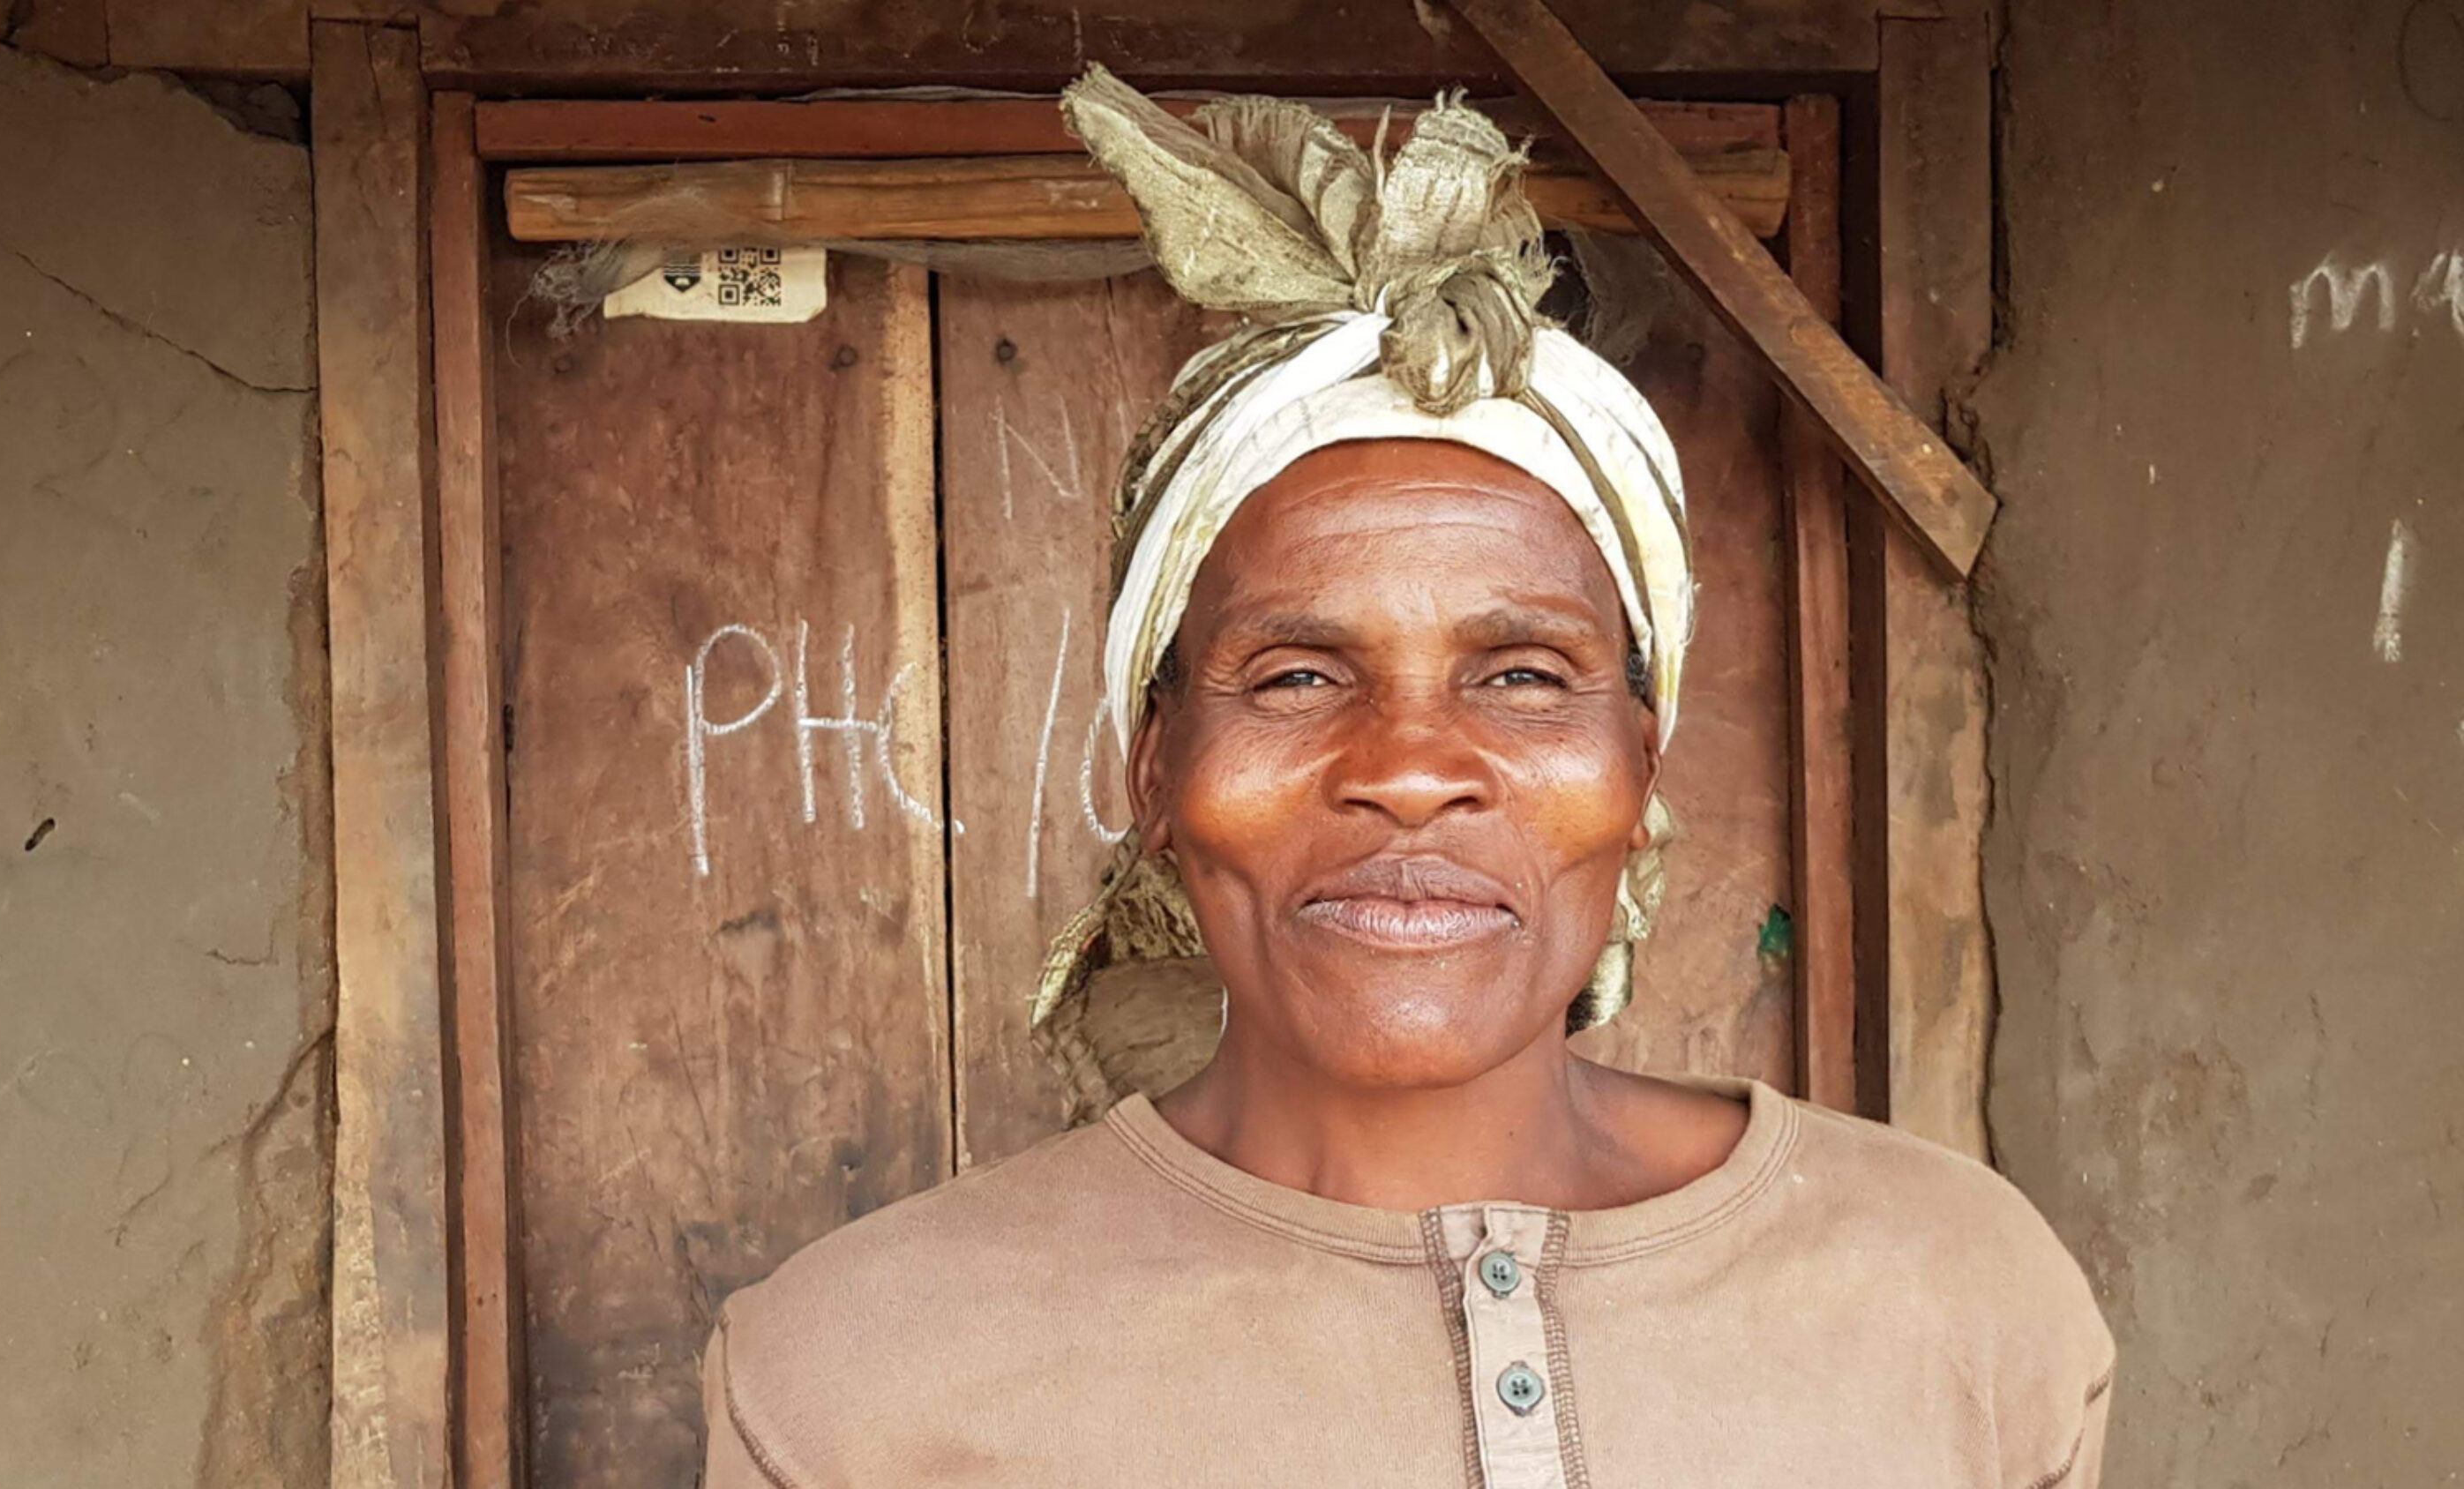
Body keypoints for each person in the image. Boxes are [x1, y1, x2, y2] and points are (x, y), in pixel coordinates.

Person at [697, 68, 2113, 1489]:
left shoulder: (1964, 1297)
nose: (1413, 769)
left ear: (1642, 755)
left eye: (1523, 677)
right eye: (1299, 677)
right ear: (1156, 766)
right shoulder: (850, 1382)